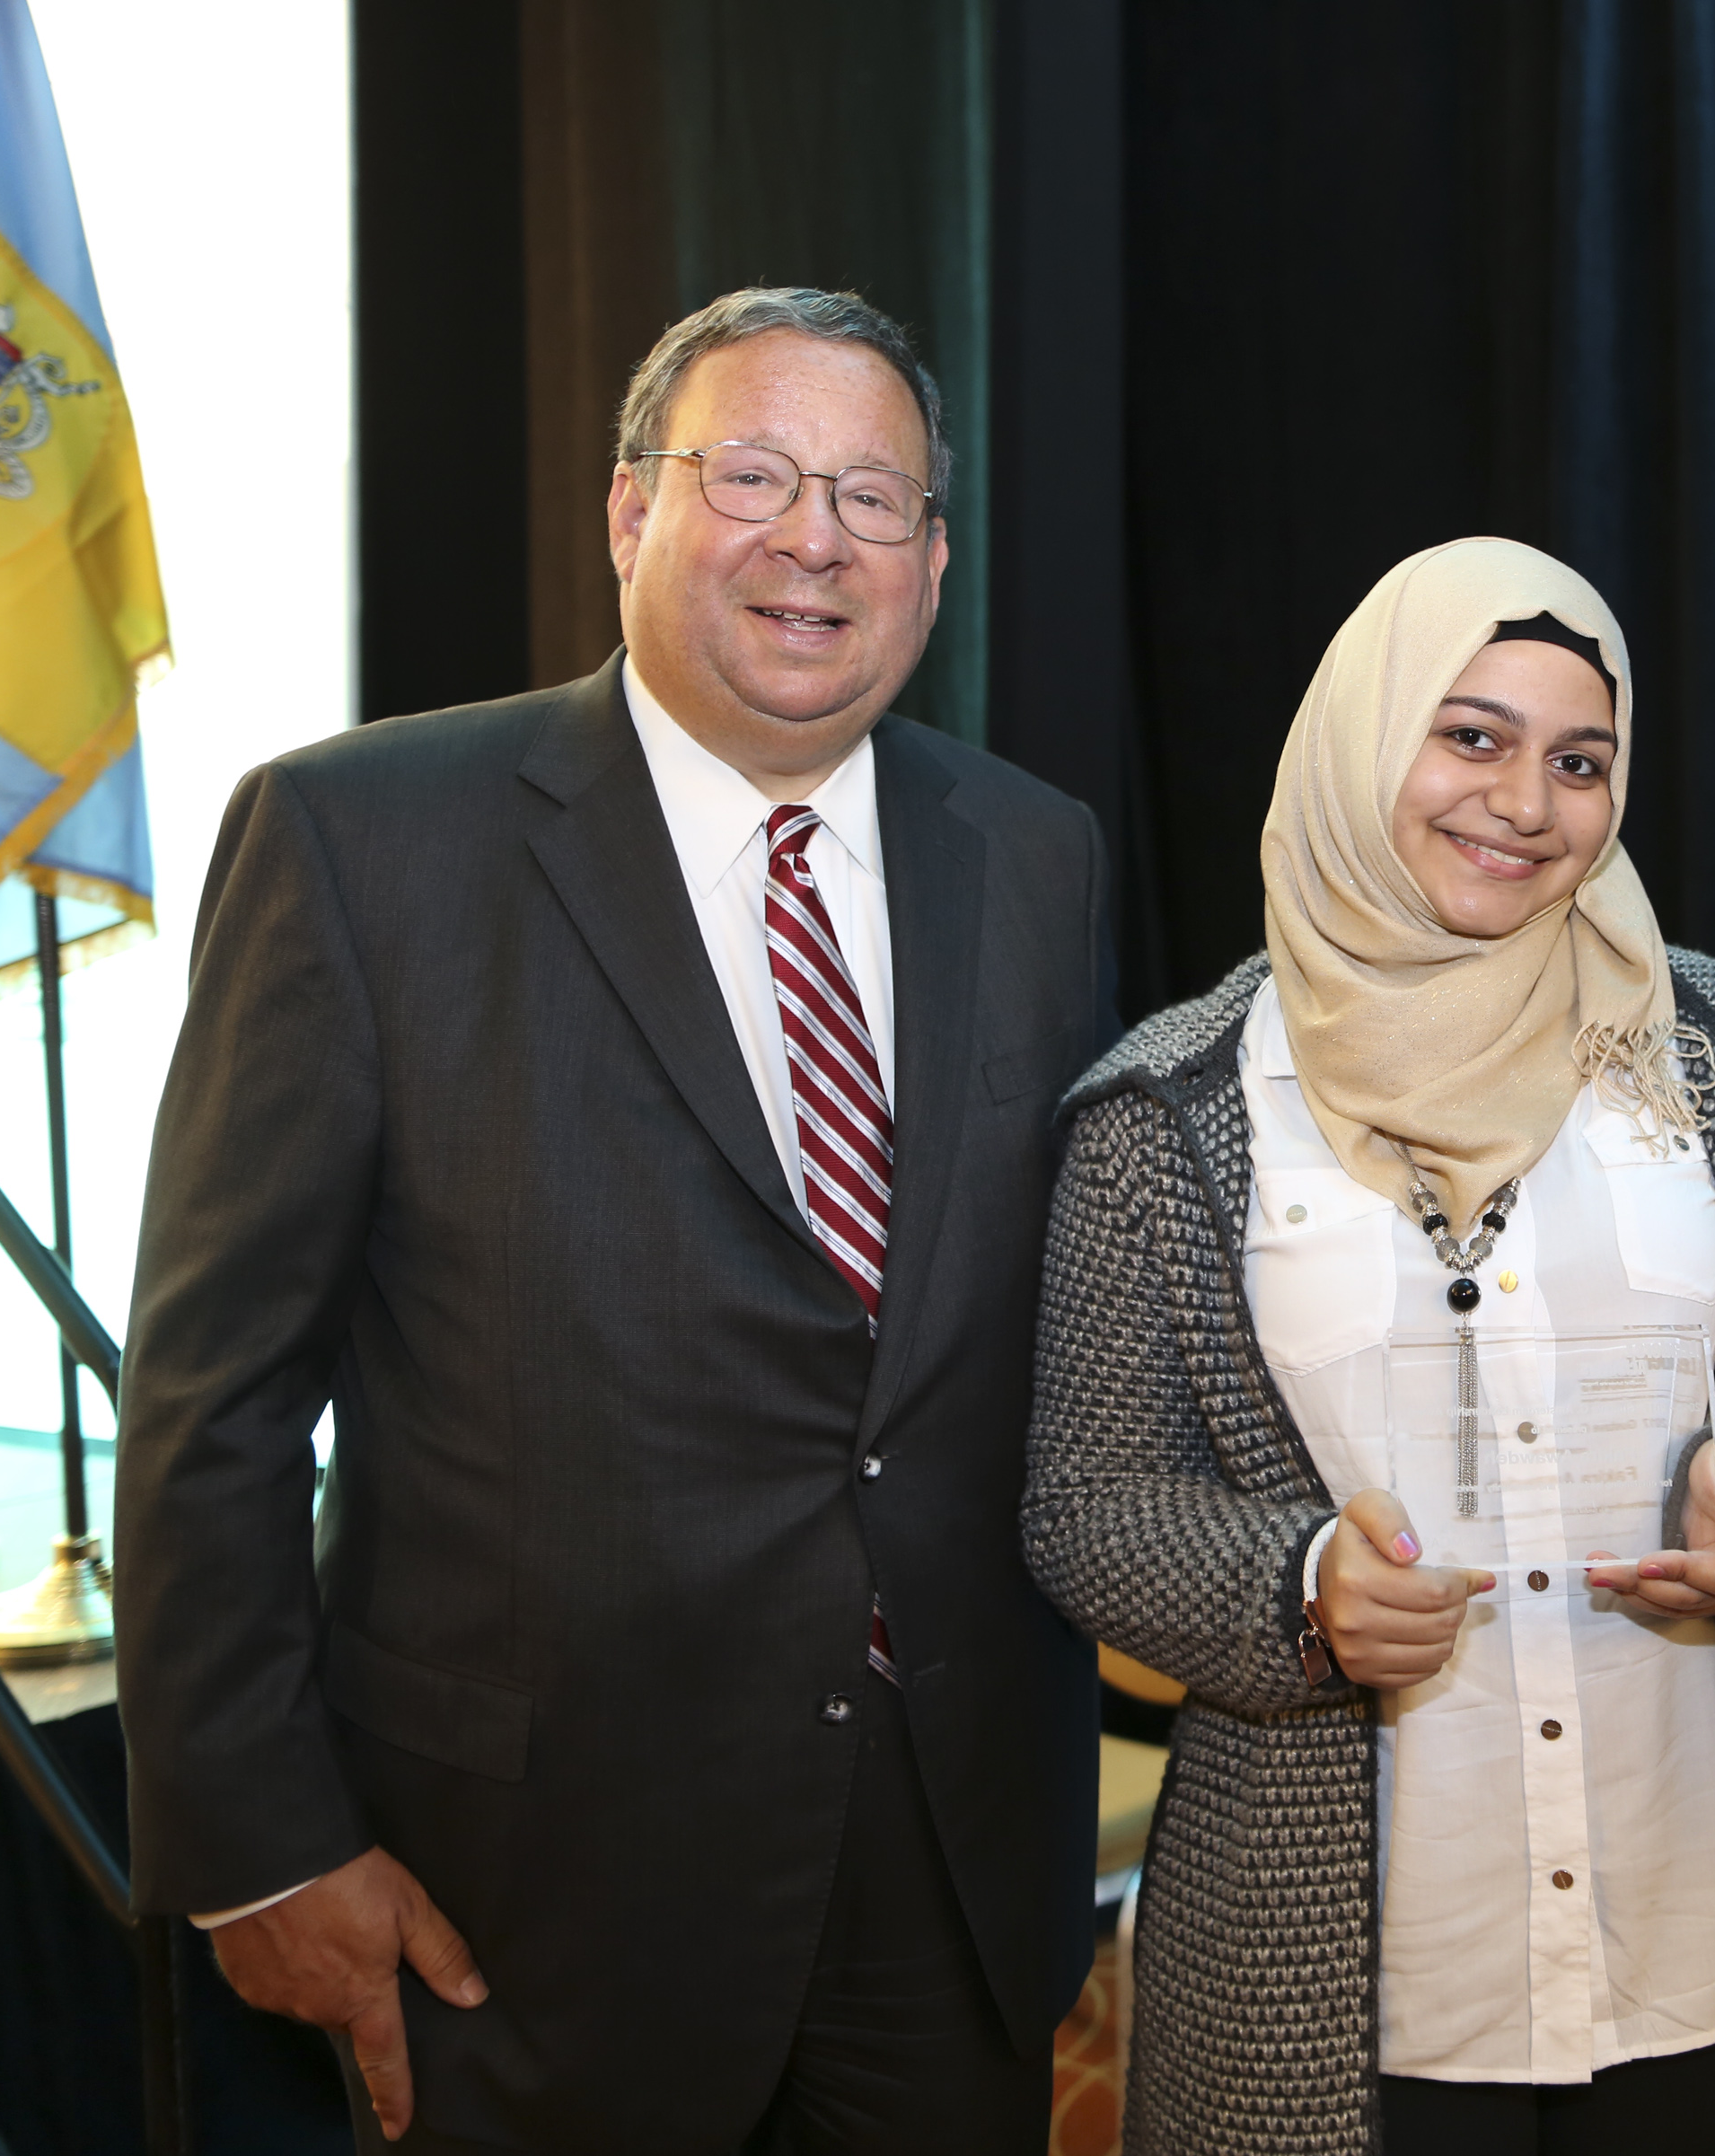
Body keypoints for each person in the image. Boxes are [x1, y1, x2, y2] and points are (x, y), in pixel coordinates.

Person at [115, 287, 1110, 2152]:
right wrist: (262, 1846)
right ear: (627, 513)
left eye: (873, 496)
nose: (814, 535)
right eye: (751, 473)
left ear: (936, 557)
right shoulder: (359, 841)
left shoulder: (1038, 852)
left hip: (951, 1865)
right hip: (525, 1895)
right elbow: (215, 1395)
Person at [1022, 538, 1715, 2156]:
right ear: (1367, 736)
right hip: (1346, 1962)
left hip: (1711, 1911)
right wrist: (1297, 1586)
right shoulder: (1170, 1110)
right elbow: (1087, 1496)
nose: (1526, 802)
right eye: (1472, 736)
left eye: (1581, 761)